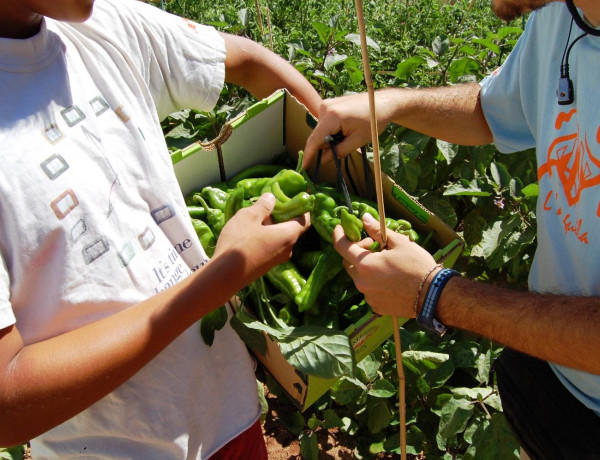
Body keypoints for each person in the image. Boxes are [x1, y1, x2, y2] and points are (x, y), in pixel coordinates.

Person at [0, 0, 321, 458]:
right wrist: (220, 278)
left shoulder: (102, 24)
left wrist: (328, 144)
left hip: (230, 416)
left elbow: (247, 62)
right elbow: (6, 407)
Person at [303, 0, 600, 458]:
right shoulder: (562, 15)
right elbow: (492, 108)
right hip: (548, 368)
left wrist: (435, 293)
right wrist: (395, 103)